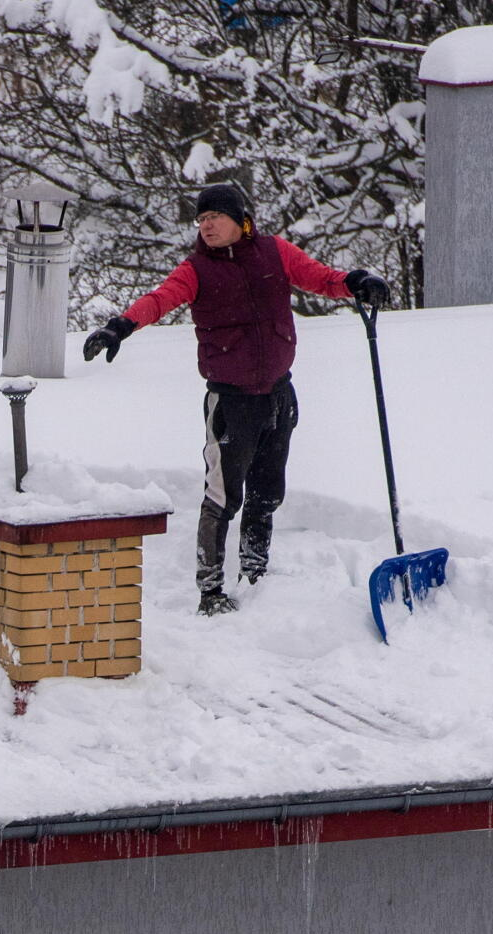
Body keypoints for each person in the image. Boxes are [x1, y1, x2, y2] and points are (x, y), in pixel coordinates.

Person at [82, 186, 393, 616]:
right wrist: (121, 326)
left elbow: (321, 278)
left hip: (279, 395)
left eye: (215, 216)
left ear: (240, 220)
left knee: (267, 493)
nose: (206, 225)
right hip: (231, 403)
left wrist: (357, 282)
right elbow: (160, 300)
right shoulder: (196, 270)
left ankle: (255, 574)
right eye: (201, 219)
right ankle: (211, 591)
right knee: (222, 497)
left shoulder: (274, 252)